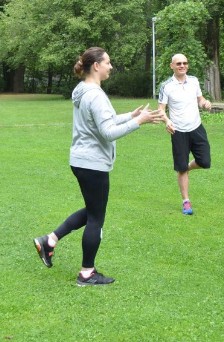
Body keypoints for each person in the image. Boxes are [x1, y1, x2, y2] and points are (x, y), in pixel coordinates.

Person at [33, 47, 165, 286]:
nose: (110, 66)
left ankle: (49, 240)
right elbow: (108, 132)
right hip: (92, 163)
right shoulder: (95, 94)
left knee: (92, 210)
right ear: (96, 66)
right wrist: (139, 121)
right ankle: (86, 273)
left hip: (81, 160)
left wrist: (130, 115)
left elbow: (104, 120)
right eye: (108, 62)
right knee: (96, 217)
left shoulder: (82, 90)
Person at [158, 53, 212, 215]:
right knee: (181, 169)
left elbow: (200, 99)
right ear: (172, 66)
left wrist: (205, 103)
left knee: (205, 161)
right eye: (178, 63)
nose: (182, 66)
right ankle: (186, 202)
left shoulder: (194, 81)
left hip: (196, 128)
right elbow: (161, 109)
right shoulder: (166, 86)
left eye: (185, 63)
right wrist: (167, 121)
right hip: (178, 131)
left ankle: (185, 167)